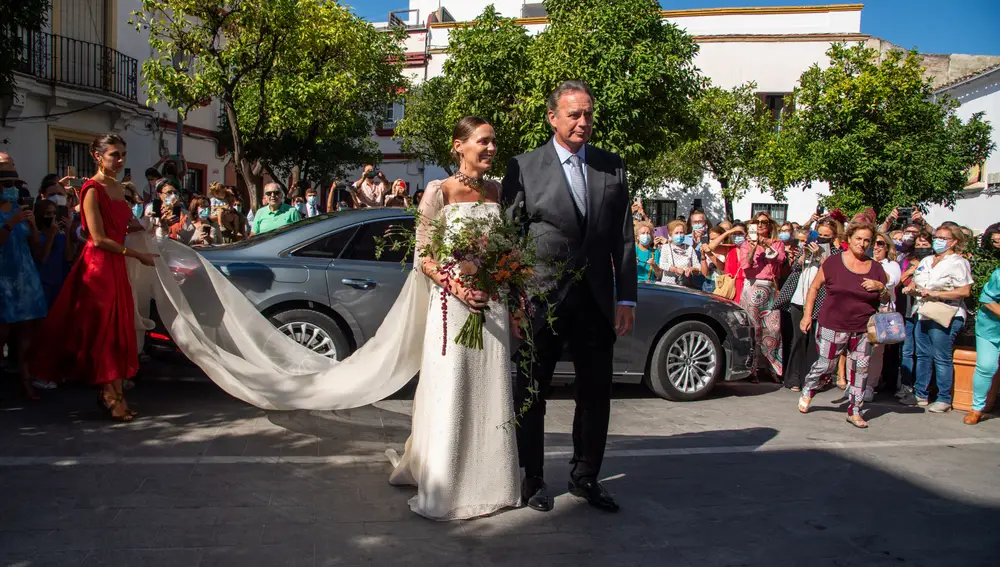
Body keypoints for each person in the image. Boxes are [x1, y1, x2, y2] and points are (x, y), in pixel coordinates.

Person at [502, 79, 636, 513]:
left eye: (588, 114)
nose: (582, 122)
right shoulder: (523, 166)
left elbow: (624, 237)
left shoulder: (610, 166)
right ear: (552, 117)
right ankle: (533, 478)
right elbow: (509, 238)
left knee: (595, 394)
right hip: (540, 301)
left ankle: (585, 477)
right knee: (531, 393)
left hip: (596, 302)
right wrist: (513, 301)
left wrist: (627, 298)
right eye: (574, 114)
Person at [29, 134, 158, 421]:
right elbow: (97, 239)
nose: (121, 159)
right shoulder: (91, 189)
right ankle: (111, 395)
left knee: (116, 329)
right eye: (114, 154)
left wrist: (150, 233)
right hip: (98, 267)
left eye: (123, 153)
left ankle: (114, 393)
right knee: (104, 331)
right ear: (98, 157)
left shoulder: (116, 186)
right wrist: (137, 255)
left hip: (116, 264)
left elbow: (128, 226)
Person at [799, 222, 890, 428]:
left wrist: (881, 287)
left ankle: (855, 410)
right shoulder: (832, 262)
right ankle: (810, 388)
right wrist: (807, 316)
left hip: (863, 328)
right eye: (858, 238)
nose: (863, 243)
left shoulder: (876, 269)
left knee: (860, 369)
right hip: (833, 324)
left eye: (867, 240)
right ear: (849, 238)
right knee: (826, 364)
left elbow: (886, 299)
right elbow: (814, 288)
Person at [903, 224, 973, 412]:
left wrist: (935, 293)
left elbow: (965, 290)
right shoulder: (926, 260)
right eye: (937, 237)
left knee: (941, 356)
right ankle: (920, 394)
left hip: (946, 313)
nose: (938, 241)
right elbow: (919, 281)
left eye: (943, 238)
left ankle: (944, 397)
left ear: (954, 242)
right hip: (924, 311)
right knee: (923, 355)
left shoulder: (958, 262)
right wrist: (912, 288)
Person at [775, 219, 841, 391]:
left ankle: (811, 380)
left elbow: (833, 273)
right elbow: (795, 268)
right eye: (820, 235)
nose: (823, 238)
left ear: (834, 236)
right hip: (799, 298)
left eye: (827, 236)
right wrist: (804, 255)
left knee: (814, 341)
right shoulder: (808, 247)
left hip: (821, 301)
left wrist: (821, 256)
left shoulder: (836, 253)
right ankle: (794, 378)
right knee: (799, 338)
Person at [0, 174, 48, 400]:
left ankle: (26, 380)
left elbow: (35, 245)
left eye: (13, 184)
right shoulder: (10, 214)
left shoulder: (19, 209)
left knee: (28, 331)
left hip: (26, 276)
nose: (12, 189)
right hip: (3, 279)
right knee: (3, 331)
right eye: (7, 185)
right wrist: (11, 221)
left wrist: (32, 226)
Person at [738, 212, 785, 380]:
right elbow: (745, 265)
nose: (760, 225)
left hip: (770, 289)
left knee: (773, 330)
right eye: (757, 222)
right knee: (753, 329)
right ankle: (752, 369)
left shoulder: (777, 243)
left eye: (764, 222)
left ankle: (773, 368)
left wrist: (765, 245)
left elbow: (779, 258)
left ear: (770, 225)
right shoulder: (746, 244)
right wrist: (752, 248)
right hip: (752, 288)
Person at [897, 230, 935, 405]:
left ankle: (922, 390)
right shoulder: (906, 261)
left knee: (923, 352)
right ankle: (905, 386)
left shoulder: (934, 263)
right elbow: (899, 281)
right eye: (918, 245)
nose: (921, 248)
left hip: (925, 310)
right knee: (907, 350)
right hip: (907, 309)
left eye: (925, 245)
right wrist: (911, 270)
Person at [864, 231, 902, 401]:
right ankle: (856, 382)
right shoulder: (863, 262)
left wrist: (875, 265)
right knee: (857, 349)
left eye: (880, 243)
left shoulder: (891, 265)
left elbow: (891, 281)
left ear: (887, 247)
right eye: (874, 243)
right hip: (861, 309)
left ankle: (870, 386)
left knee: (876, 351)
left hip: (881, 312)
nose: (876, 247)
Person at [965, 264, 1000, 425]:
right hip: (991, 330)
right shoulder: (998, 275)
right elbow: (987, 300)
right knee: (986, 366)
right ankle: (976, 408)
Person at [657, 219, 701, 287]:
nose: (679, 235)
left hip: (685, 284)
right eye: (676, 233)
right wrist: (675, 269)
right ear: (671, 234)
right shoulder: (666, 247)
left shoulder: (689, 248)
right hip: (668, 285)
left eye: (681, 232)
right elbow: (662, 264)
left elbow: (698, 266)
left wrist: (691, 269)